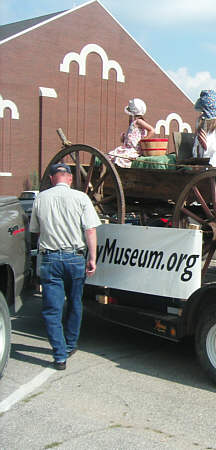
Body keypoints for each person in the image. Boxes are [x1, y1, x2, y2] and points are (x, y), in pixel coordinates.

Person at [30, 163, 101, 370]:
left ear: (52, 179)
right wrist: (92, 258)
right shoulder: (81, 198)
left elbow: (35, 230)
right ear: (69, 179)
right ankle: (70, 344)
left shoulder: (40, 199)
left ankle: (60, 355)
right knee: (75, 303)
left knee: (52, 310)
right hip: (75, 257)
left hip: (50, 259)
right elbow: (90, 230)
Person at [107, 98, 155, 168]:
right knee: (111, 155)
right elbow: (134, 136)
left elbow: (152, 130)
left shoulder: (138, 121)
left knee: (116, 156)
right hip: (128, 147)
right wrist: (125, 138)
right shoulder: (134, 123)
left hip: (133, 149)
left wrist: (143, 141)